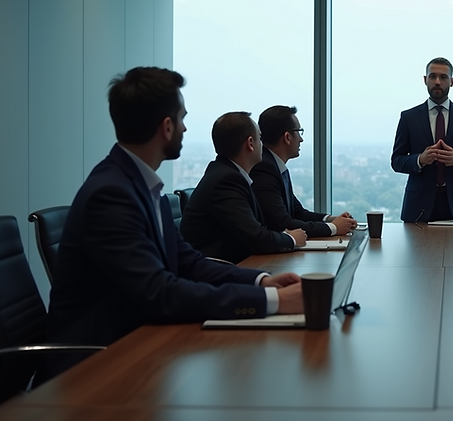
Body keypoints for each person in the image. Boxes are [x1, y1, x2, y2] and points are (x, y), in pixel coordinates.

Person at [45, 68, 302, 379]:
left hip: (138, 343)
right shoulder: (111, 194)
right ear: (166, 127)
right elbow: (160, 293)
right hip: (98, 364)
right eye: (181, 118)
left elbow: (188, 262)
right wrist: (272, 301)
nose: (184, 128)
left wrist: (261, 282)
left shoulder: (139, 184)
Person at [181, 112, 306, 263]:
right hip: (215, 274)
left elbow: (258, 230)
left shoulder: (228, 174)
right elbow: (257, 237)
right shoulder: (226, 181)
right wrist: (291, 239)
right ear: (250, 143)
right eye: (260, 138)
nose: (263, 145)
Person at [391, 57, 453, 222]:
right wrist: (420, 160)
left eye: (443, 77)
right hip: (417, 206)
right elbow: (396, 161)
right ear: (425, 80)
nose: (438, 82)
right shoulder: (408, 117)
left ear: (452, 81)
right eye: (432, 77)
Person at [252, 105, 357, 236]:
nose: (301, 139)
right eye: (299, 131)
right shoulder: (265, 168)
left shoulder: (275, 165)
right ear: (287, 137)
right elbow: (282, 223)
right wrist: (333, 228)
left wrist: (331, 219)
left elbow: (297, 212)